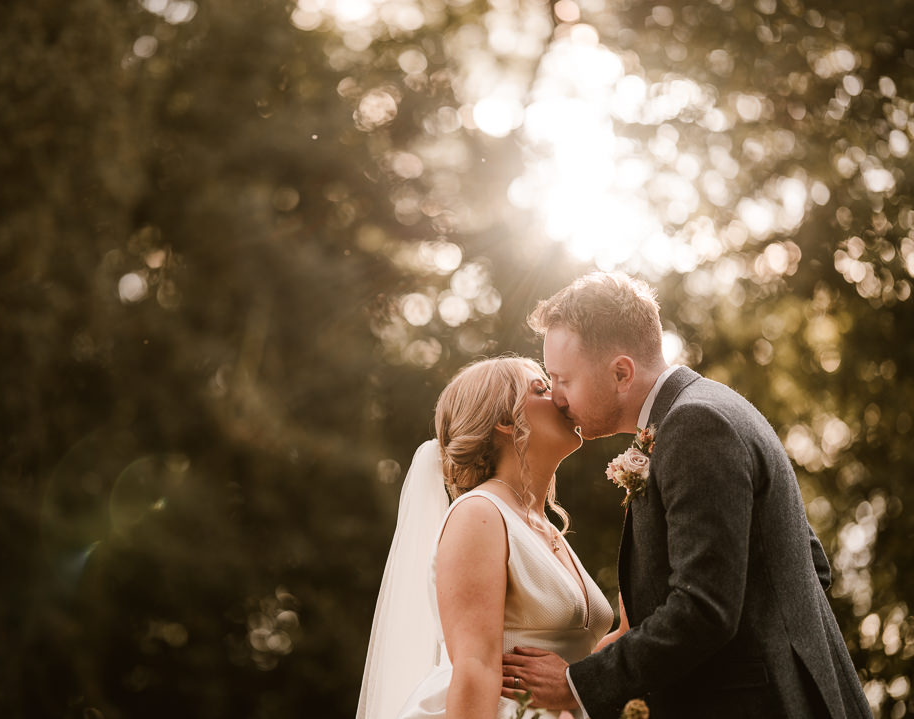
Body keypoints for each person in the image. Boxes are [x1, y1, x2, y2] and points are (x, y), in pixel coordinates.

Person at [502, 272, 871, 718]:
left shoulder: (696, 426)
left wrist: (578, 683)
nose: (557, 397)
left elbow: (705, 608)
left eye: (563, 380)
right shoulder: (705, 408)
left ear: (621, 372)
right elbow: (808, 562)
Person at [357, 356, 626, 719]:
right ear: (504, 421)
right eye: (541, 389)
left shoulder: (544, 527)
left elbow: (575, 657)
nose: (560, 398)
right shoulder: (479, 514)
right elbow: (474, 669)